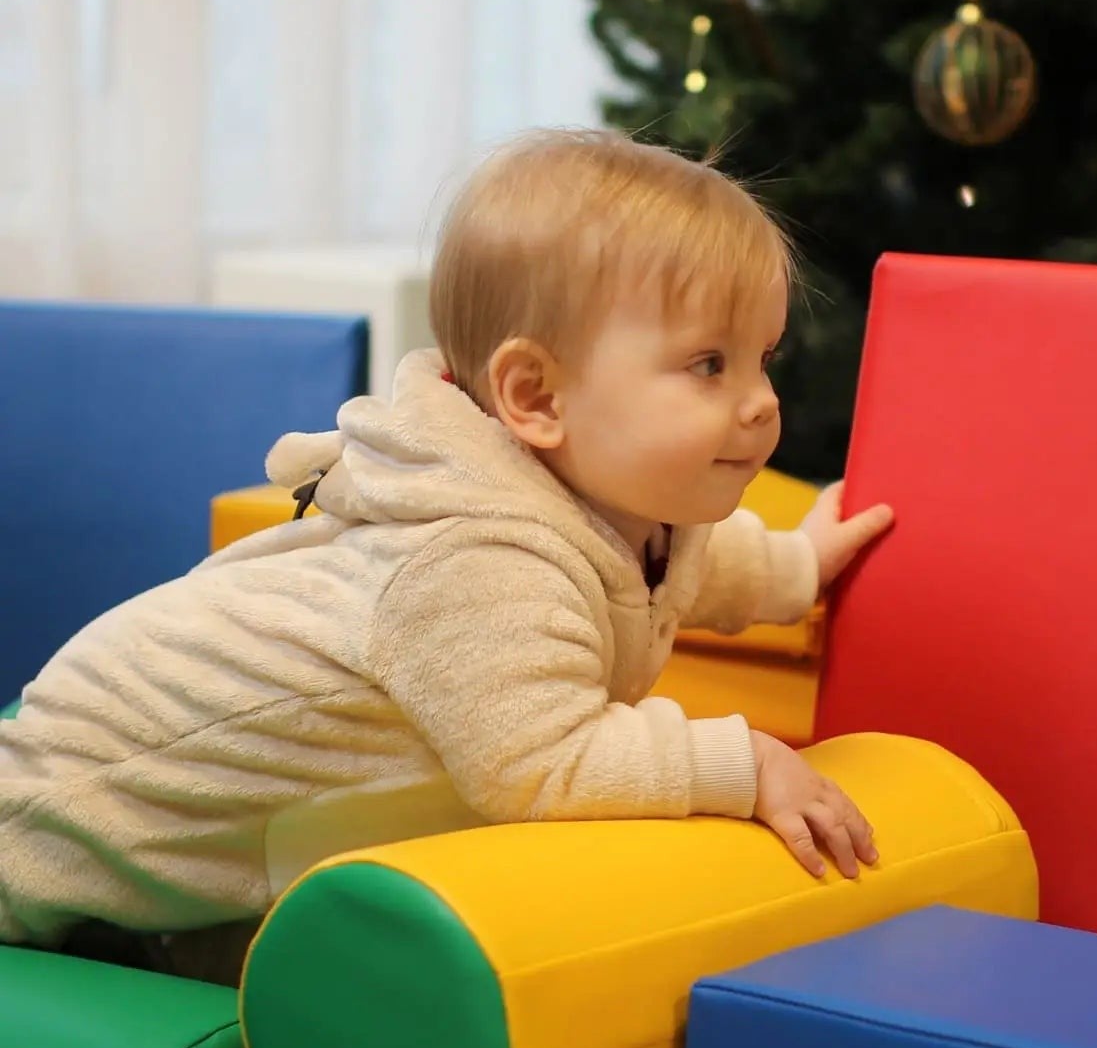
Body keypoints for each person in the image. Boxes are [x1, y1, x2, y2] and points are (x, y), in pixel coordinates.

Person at [0, 130, 894, 981]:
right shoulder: (474, 558)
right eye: (710, 365)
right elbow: (543, 764)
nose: (761, 404)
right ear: (536, 396)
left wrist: (798, 566)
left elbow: (687, 566)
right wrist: (745, 764)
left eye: (761, 358)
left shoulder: (620, 506)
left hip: (228, 835)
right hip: (59, 814)